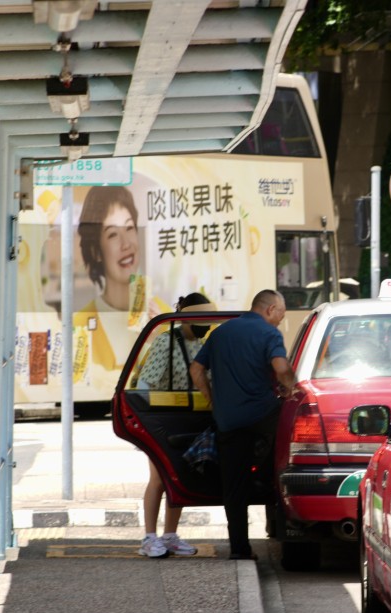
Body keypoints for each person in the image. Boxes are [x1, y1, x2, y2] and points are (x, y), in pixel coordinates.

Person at [189, 290, 300, 560]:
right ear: (270, 309)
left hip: (228, 421)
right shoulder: (268, 333)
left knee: (234, 487)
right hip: (263, 417)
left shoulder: (220, 333)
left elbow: (195, 370)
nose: (279, 322)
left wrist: (213, 400)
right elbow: (281, 367)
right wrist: (292, 389)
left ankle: (239, 549)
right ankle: (284, 524)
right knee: (284, 469)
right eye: (280, 316)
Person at [136, 292, 216, 558]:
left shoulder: (205, 343)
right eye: (201, 320)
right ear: (186, 318)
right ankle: (149, 538)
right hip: (163, 418)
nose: (205, 327)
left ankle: (170, 536)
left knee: (179, 475)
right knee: (159, 477)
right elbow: (146, 382)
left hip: (191, 417)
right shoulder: (166, 342)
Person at [73, 186, 170, 370]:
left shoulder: (166, 319)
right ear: (96, 251)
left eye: (129, 228)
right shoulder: (80, 324)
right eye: (112, 234)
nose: (126, 244)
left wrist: (152, 339)